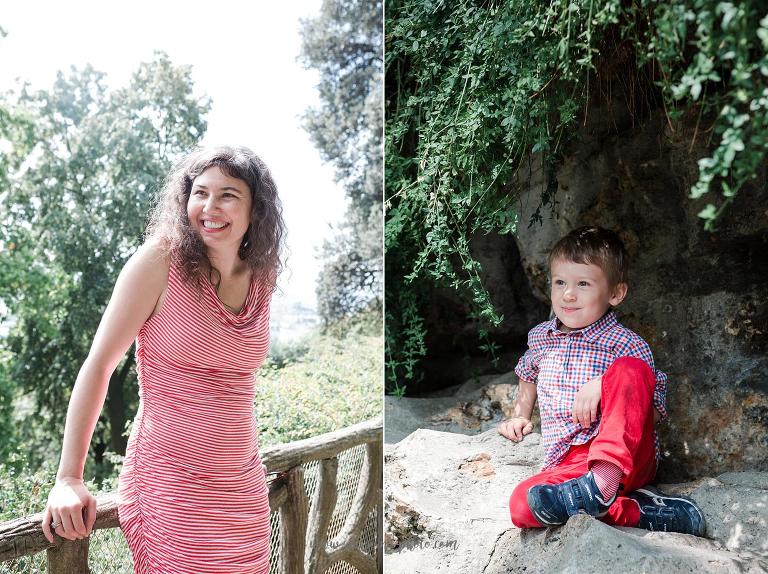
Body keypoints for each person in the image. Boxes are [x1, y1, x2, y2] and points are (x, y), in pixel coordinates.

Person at [41, 145, 285, 573]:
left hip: (241, 488)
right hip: (170, 484)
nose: (210, 206)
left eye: (228, 195)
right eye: (200, 192)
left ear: (256, 209)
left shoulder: (262, 275)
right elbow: (99, 365)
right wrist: (69, 478)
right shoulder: (159, 262)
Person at [499, 226, 705, 535]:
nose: (568, 294)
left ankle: (605, 480)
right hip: (568, 464)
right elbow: (528, 372)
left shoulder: (625, 344)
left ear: (615, 293)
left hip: (626, 458)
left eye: (583, 283)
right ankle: (633, 510)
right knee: (522, 504)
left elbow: (651, 413)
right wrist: (520, 416)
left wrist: (605, 383)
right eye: (559, 282)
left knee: (630, 369)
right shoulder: (543, 337)